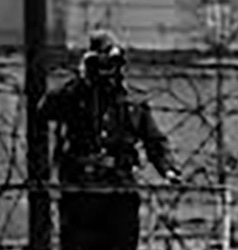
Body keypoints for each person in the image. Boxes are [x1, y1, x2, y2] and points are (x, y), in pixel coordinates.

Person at [38, 30, 182, 250]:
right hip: (81, 191)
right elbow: (45, 110)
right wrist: (81, 80)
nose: (106, 71)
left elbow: (153, 139)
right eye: (100, 64)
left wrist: (168, 168)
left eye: (112, 63)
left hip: (120, 190)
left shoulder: (132, 101)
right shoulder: (76, 97)